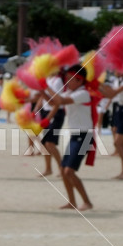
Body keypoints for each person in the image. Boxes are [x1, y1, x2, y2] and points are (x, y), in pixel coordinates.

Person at [45, 65, 94, 211]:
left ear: (79, 80)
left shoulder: (83, 93)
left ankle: (87, 202)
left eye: (69, 79)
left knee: (68, 171)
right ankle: (72, 201)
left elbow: (60, 101)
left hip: (85, 136)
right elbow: (54, 102)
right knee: (64, 169)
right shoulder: (72, 92)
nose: (66, 81)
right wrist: (42, 90)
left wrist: (45, 87)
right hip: (75, 136)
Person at [99, 71, 123, 179]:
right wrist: (99, 86)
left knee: (118, 142)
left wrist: (99, 84)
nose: (115, 70)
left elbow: (112, 93)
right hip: (121, 109)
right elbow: (109, 94)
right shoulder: (120, 79)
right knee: (122, 144)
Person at [35, 73, 65, 176]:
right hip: (45, 112)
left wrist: (43, 91)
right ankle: (48, 168)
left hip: (56, 113)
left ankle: (61, 168)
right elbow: (41, 98)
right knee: (45, 143)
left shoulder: (58, 81)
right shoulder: (47, 78)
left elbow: (55, 102)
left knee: (50, 143)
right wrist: (35, 111)